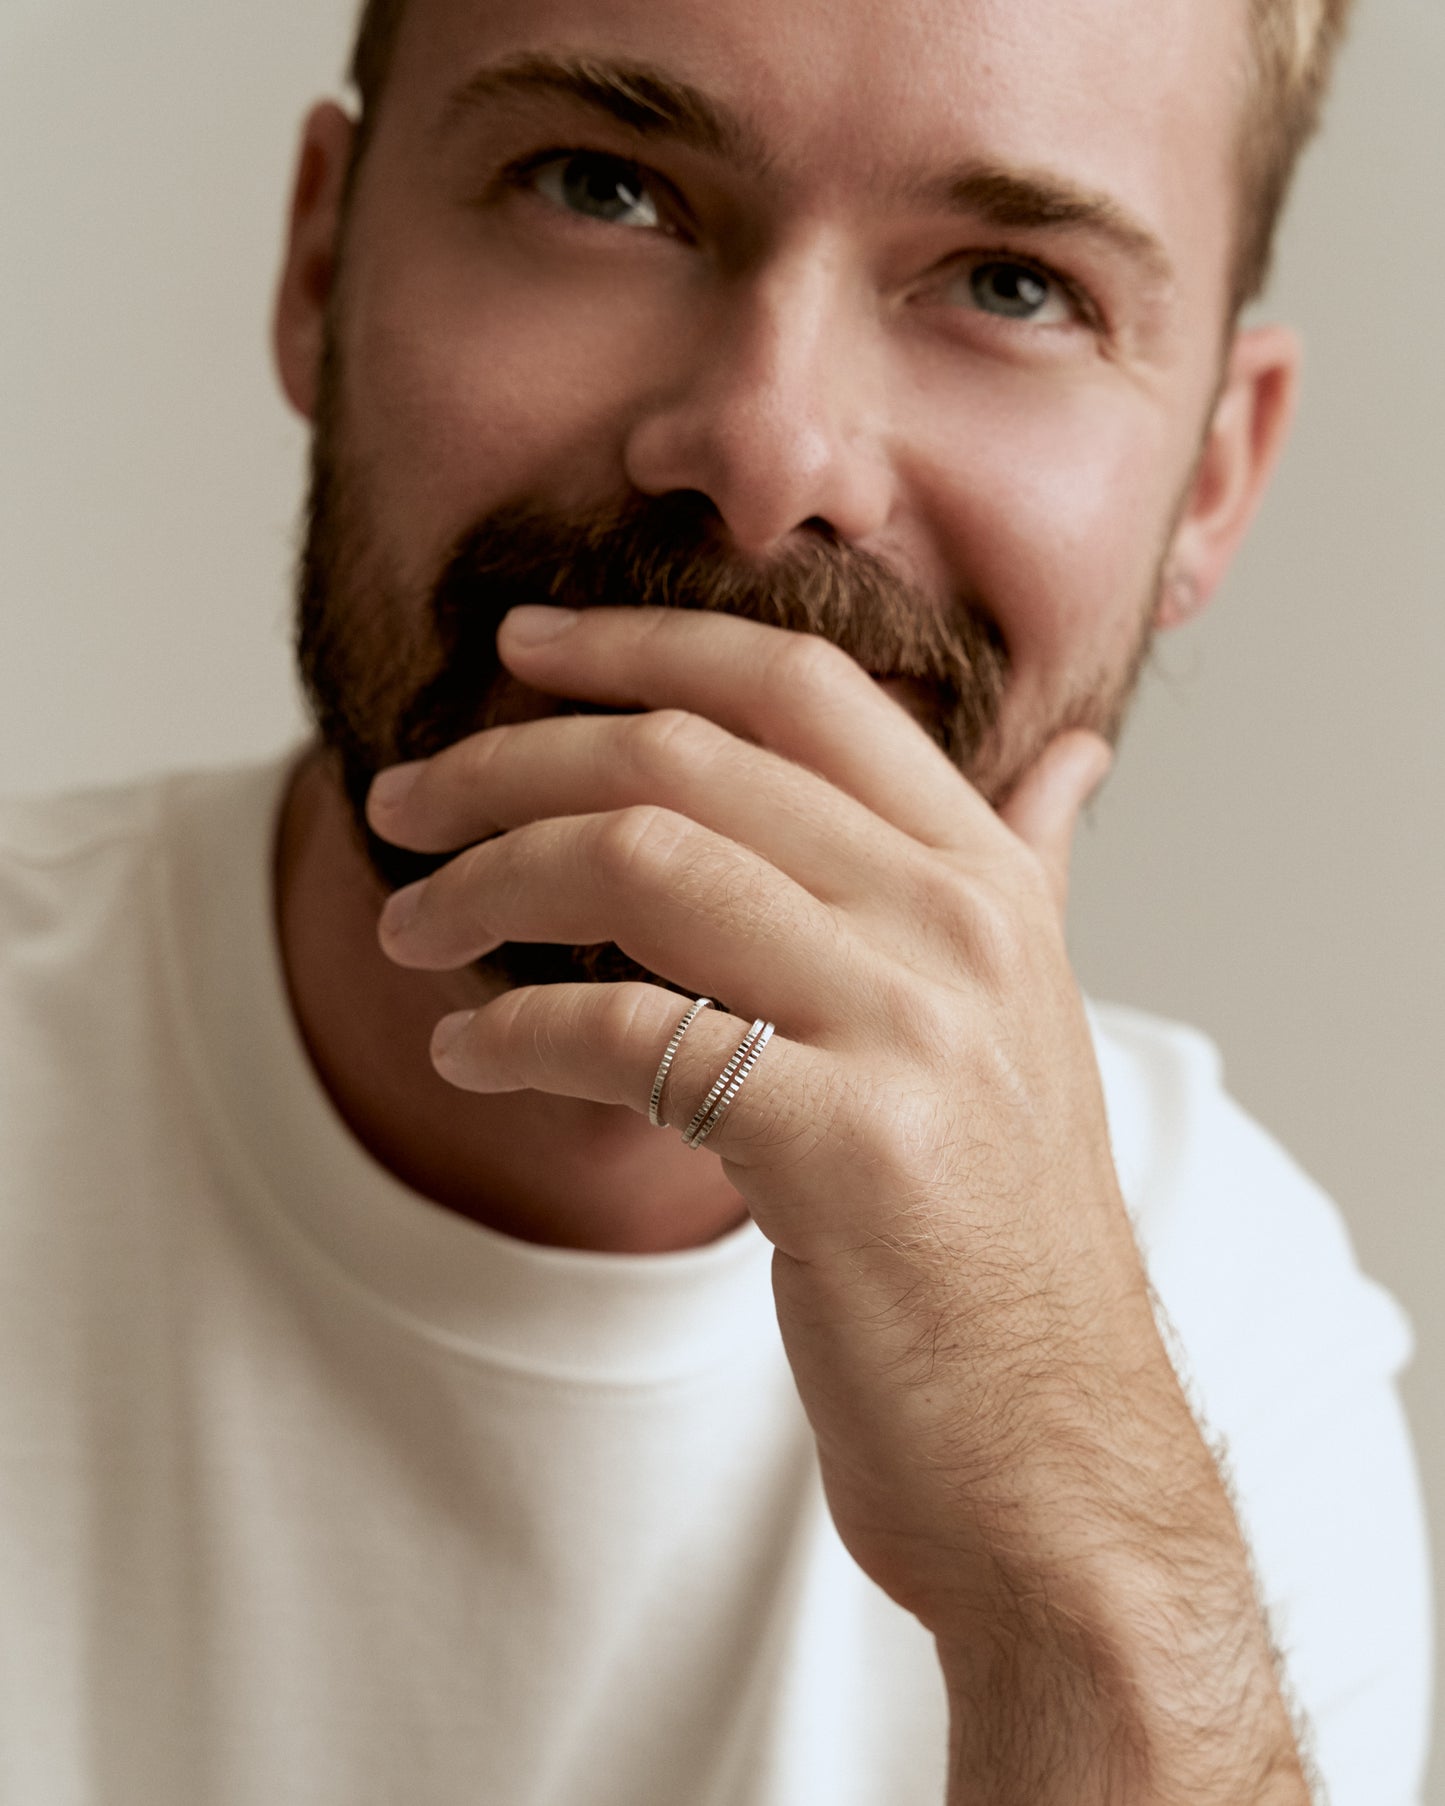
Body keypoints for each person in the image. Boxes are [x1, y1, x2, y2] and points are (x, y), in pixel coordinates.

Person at [0, 0, 1431, 1800]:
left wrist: (1084, 1575)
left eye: (1009, 286)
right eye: (601, 186)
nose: (766, 456)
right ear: (319, 260)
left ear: (1212, 476)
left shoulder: (1240, 1337)